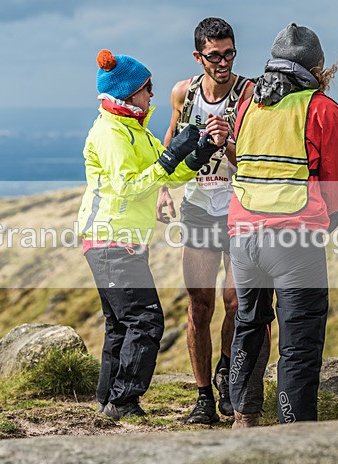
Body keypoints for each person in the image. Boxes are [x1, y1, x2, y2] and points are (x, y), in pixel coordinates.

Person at [77, 49, 226, 420]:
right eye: (147, 89)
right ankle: (124, 401)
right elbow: (128, 187)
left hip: (122, 240)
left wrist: (196, 153)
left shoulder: (135, 131)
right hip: (111, 238)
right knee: (145, 320)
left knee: (120, 325)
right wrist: (167, 158)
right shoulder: (112, 133)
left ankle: (108, 400)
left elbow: (168, 175)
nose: (152, 96)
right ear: (128, 94)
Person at [227, 23, 338, 427]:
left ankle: (243, 417)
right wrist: (327, 213)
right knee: (299, 341)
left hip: (243, 237)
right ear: (316, 69)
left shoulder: (249, 105)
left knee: (248, 326)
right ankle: (294, 430)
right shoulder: (320, 109)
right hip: (293, 242)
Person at [157, 18, 258, 425]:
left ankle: (228, 372)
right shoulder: (184, 92)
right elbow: (171, 136)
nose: (223, 62)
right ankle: (202, 398)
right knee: (200, 305)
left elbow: (250, 160)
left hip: (237, 207)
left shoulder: (248, 93)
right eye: (214, 55)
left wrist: (226, 141)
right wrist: (163, 188)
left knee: (236, 301)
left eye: (229, 53)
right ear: (198, 56)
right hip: (198, 206)